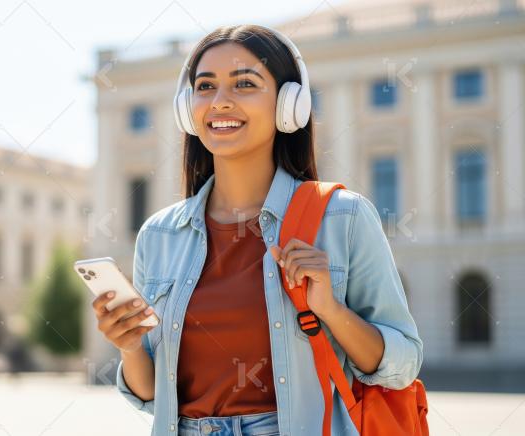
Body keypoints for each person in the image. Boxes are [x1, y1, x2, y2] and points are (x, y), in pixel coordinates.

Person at [91, 24, 423, 436]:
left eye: (244, 84)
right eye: (205, 86)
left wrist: (331, 311)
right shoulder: (158, 236)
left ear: (288, 105)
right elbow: (153, 396)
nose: (220, 101)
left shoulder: (345, 217)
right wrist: (128, 346)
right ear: (187, 109)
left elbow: (403, 365)